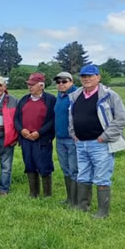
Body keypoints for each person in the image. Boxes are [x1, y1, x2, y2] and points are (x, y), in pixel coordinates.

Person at [69, 64, 125, 218]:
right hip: (81, 143)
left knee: (102, 176)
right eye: (83, 76)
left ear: (98, 77)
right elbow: (72, 117)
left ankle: (102, 212)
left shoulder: (109, 95)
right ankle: (82, 207)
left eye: (90, 76)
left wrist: (105, 137)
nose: (86, 79)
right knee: (83, 175)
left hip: (100, 144)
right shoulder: (76, 95)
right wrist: (73, 133)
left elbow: (121, 119)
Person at [15, 72, 56, 198]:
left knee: (44, 165)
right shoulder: (23, 100)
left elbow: (53, 120)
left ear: (41, 86)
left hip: (42, 139)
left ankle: (47, 194)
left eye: (33, 84)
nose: (30, 87)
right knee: (29, 164)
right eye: (29, 84)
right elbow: (16, 118)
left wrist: (40, 132)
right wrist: (21, 130)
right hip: (26, 139)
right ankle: (33, 193)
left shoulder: (50, 100)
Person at [53, 72, 78, 206]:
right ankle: (69, 198)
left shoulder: (76, 95)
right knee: (65, 168)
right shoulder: (60, 96)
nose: (61, 84)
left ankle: (76, 200)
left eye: (64, 81)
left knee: (74, 169)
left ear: (71, 82)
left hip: (72, 139)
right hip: (60, 138)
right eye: (58, 82)